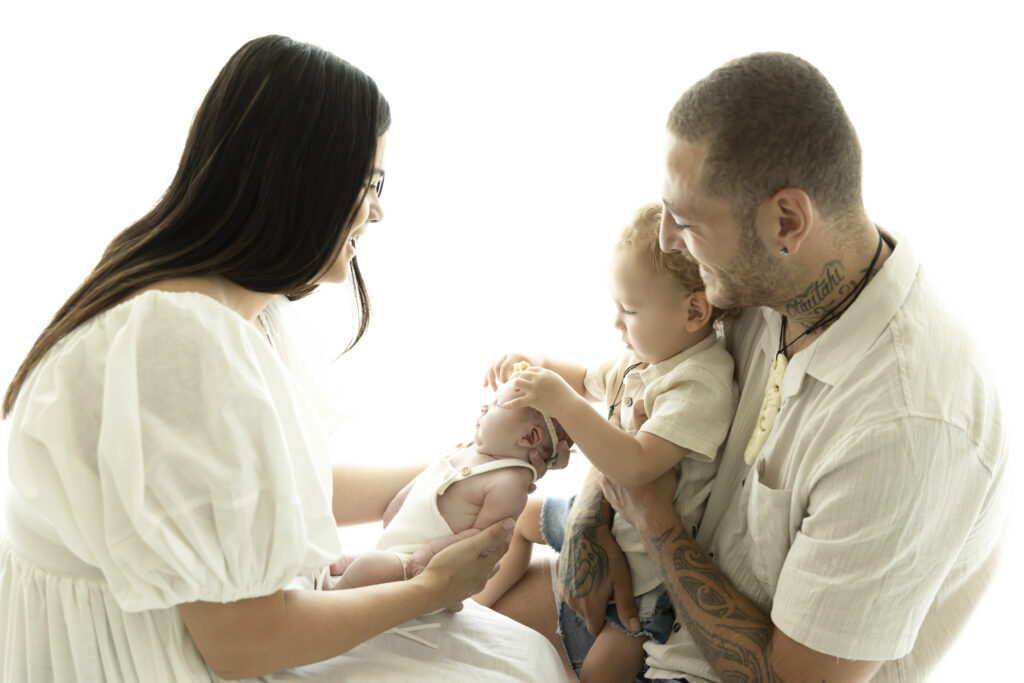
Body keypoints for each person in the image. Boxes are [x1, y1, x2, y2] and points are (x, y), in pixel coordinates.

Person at [0, 35, 568, 682]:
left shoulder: (231, 302)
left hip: (216, 625)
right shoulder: (177, 340)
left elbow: (250, 494)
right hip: (157, 653)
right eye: (370, 182)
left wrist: (465, 465)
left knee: (520, 656)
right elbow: (240, 642)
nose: (378, 211)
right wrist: (424, 588)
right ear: (304, 181)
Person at [496, 52, 1009, 682]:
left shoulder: (906, 423)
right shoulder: (766, 286)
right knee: (441, 626)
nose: (666, 242)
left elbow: (792, 679)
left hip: (711, 668)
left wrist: (651, 518)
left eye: (685, 223)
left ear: (786, 222)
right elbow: (640, 400)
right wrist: (589, 516)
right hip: (656, 605)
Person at [475, 202, 738, 682]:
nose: (617, 323)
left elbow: (637, 466)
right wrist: (536, 361)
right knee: (513, 521)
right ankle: (471, 608)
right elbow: (581, 378)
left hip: (646, 581)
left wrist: (564, 406)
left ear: (694, 311)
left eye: (630, 309)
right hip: (604, 522)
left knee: (598, 674)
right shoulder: (642, 359)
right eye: (616, 306)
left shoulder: (700, 383)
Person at [309, 379, 572, 593]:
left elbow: (483, 538)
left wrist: (430, 553)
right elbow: (430, 475)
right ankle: (340, 572)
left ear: (529, 436)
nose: (483, 407)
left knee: (368, 567)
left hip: (420, 564)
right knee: (350, 559)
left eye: (497, 405)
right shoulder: (474, 448)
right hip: (398, 548)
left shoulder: (509, 481)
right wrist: (400, 500)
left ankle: (333, 598)